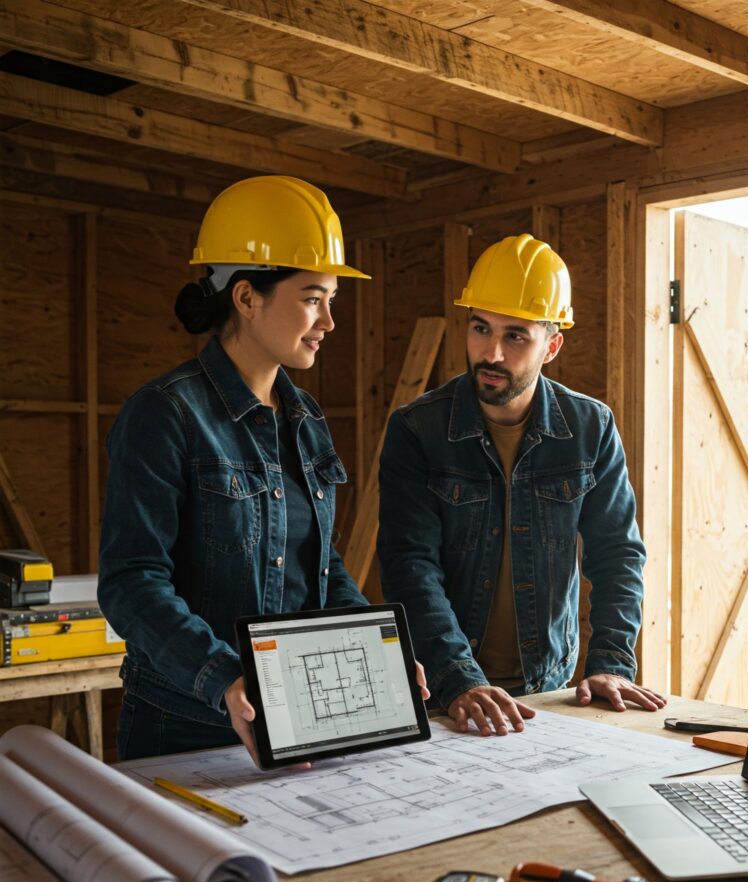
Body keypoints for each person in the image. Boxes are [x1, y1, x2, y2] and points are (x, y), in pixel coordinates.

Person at [98, 175, 426, 762]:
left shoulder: (305, 418)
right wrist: (227, 679)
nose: (329, 322)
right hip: (186, 724)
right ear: (247, 298)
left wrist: (377, 652)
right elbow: (132, 583)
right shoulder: (164, 413)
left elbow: (321, 568)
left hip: (296, 715)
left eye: (332, 300)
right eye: (311, 298)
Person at [377, 234, 665, 737]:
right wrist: (459, 678)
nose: (490, 352)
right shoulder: (417, 429)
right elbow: (409, 565)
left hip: (546, 687)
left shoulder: (590, 427)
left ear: (551, 345)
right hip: (443, 689)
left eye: (515, 336)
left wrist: (611, 662)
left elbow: (617, 552)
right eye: (480, 328)